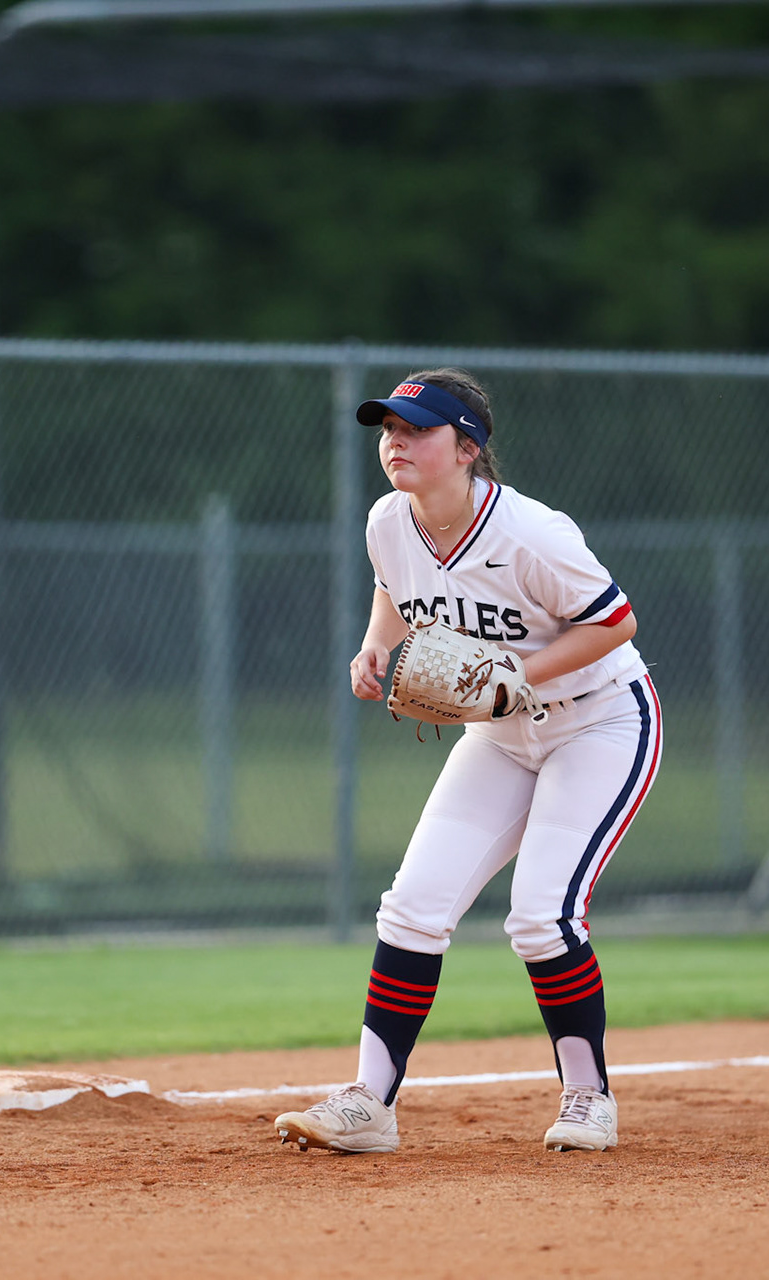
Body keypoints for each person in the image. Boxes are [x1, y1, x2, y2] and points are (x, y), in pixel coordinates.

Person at [274, 368, 661, 1155]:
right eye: (389, 430)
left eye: (416, 430)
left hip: (600, 723)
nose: (396, 443)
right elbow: (394, 586)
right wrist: (375, 644)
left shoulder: (531, 533)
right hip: (501, 737)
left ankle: (588, 1097)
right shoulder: (389, 521)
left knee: (541, 917)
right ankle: (370, 1105)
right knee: (413, 905)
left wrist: (514, 676)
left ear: (467, 448)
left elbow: (615, 624)